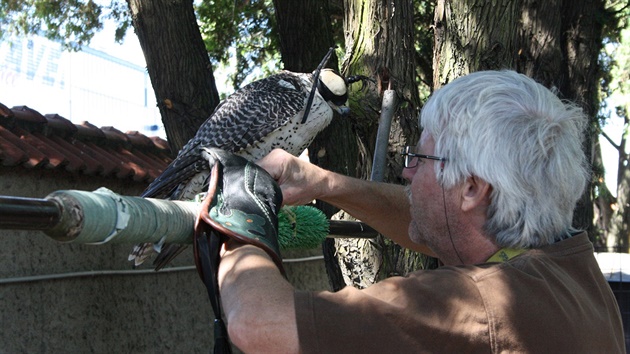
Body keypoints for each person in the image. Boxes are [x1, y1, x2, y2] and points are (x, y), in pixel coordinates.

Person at [216, 70, 625, 353]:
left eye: (422, 156)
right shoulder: (569, 267)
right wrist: (326, 184)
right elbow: (437, 225)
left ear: (471, 187)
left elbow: (260, 326)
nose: (406, 169)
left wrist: (240, 215)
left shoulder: (477, 305)